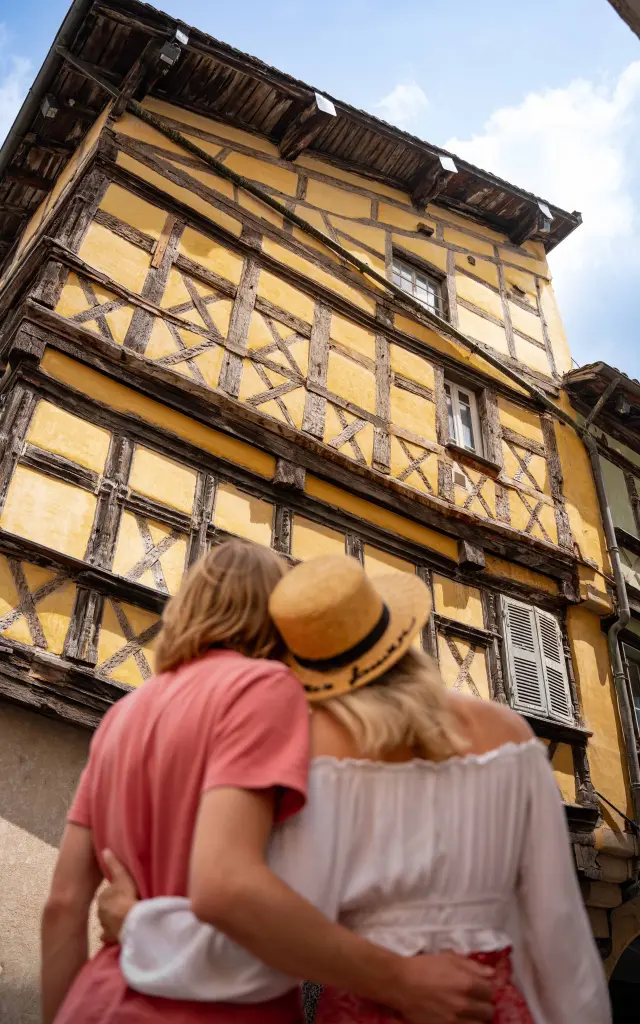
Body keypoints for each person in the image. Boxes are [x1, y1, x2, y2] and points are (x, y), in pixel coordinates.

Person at [97, 554, 612, 1024]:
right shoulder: (511, 736)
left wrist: (138, 926)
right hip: (486, 1005)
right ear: (395, 631)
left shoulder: (315, 753)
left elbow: (262, 947)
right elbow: (558, 934)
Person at [41, 539, 496, 1024]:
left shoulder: (121, 715)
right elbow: (229, 888)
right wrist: (401, 981)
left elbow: (63, 905)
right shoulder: (264, 688)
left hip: (95, 1002)